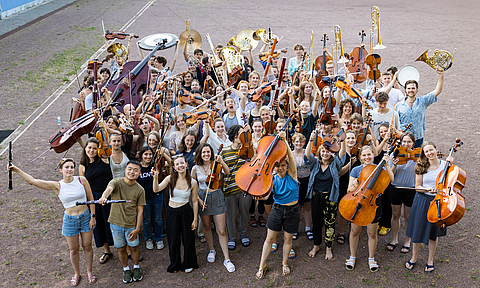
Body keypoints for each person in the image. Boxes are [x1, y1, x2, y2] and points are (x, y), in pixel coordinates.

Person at [9, 159, 97, 286]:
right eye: (67, 167)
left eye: (72, 167)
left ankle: (89, 271)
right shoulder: (57, 185)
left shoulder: (81, 180)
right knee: (73, 250)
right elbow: (32, 181)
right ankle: (77, 273)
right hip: (70, 220)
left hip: (85, 217)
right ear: (61, 170)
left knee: (87, 246)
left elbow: (91, 198)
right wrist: (17, 170)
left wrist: (93, 216)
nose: (70, 170)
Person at [255, 131, 299, 279]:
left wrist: (285, 141)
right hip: (278, 209)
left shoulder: (292, 174)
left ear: (286, 166)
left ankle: (284, 263)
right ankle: (262, 265)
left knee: (288, 239)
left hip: (293, 210)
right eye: (277, 166)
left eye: (282, 165)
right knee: (269, 239)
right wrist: (260, 196)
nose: (280, 168)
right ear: (273, 167)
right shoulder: (272, 178)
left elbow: (291, 157)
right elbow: (267, 196)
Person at [405, 141, 453, 273]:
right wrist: (427, 189)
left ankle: (430, 259)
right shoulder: (421, 166)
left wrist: (451, 164)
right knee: (417, 229)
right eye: (426, 151)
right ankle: (414, 257)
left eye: (431, 150)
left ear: (436, 149)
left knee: (433, 233)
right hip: (422, 200)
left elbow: (452, 181)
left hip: (438, 202)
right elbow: (417, 186)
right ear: (424, 154)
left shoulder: (445, 165)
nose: (429, 153)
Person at [345, 146, 394, 272]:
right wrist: (354, 186)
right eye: (364, 155)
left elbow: (391, 179)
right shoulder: (356, 170)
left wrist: (387, 165)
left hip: (373, 204)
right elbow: (349, 190)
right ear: (360, 157)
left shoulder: (380, 168)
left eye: (369, 154)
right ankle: (352, 256)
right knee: (354, 232)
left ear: (373, 155)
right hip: (359, 202)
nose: (367, 157)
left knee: (372, 233)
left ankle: (371, 258)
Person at [99, 160, 146, 284]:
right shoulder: (116, 182)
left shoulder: (140, 190)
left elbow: (140, 211)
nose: (132, 172)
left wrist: (137, 228)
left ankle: (136, 267)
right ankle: (126, 269)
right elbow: (109, 189)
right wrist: (104, 197)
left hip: (131, 225)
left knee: (134, 247)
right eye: (130, 169)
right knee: (120, 249)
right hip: (115, 223)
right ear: (125, 170)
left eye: (136, 170)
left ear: (139, 173)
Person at [191, 143, 235, 273]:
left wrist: (221, 161)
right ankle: (212, 250)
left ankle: (227, 259)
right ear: (200, 154)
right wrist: (198, 200)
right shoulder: (195, 168)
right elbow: (193, 187)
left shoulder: (216, 165)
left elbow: (227, 172)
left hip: (216, 196)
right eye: (203, 152)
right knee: (206, 227)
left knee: (221, 230)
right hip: (202, 197)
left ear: (211, 153)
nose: (206, 154)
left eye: (208, 152)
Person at [304, 128, 346, 260]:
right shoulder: (315, 163)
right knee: (316, 223)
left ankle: (328, 248)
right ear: (319, 152)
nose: (325, 153)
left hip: (330, 198)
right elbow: (306, 155)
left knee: (329, 223)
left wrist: (342, 141)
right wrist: (311, 140)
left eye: (327, 151)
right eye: (323, 151)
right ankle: (316, 245)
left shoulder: (335, 164)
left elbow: (343, 152)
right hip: (316, 197)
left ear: (331, 152)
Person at [153, 154, 199, 273]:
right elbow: (156, 189)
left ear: (186, 164)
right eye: (177, 164)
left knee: (188, 239)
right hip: (171, 212)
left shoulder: (193, 182)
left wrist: (195, 219)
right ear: (174, 167)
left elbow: (194, 201)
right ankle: (175, 264)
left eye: (182, 163)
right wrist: (155, 177)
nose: (180, 166)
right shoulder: (170, 178)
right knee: (173, 240)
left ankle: (189, 262)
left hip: (185, 211)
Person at [79, 138, 114, 265]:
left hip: (109, 195)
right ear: (85, 148)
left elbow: (106, 143)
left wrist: (103, 127)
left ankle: (123, 248)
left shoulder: (104, 158)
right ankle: (107, 250)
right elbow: (83, 185)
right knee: (99, 225)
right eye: (89, 148)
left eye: (94, 148)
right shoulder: (82, 165)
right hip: (94, 199)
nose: (92, 150)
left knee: (114, 222)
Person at [395, 68, 444, 147]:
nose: (411, 90)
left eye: (413, 88)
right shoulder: (398, 106)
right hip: (404, 140)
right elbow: (396, 124)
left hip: (418, 139)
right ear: (405, 90)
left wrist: (441, 75)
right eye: (409, 88)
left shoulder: (423, 101)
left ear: (417, 89)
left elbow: (438, 90)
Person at [221, 125, 252, 250]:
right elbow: (223, 172)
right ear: (234, 136)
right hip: (229, 187)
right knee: (230, 214)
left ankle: (243, 234)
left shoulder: (247, 150)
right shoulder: (225, 151)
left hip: (244, 187)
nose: (243, 136)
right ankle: (232, 237)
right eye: (240, 134)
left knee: (245, 212)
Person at [386, 132, 417, 254]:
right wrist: (394, 165)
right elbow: (390, 176)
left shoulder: (417, 156)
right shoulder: (395, 154)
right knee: (395, 215)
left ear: (413, 143)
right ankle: (394, 239)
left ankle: (407, 241)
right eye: (404, 142)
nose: (406, 144)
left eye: (409, 142)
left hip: (411, 189)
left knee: (408, 216)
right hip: (396, 188)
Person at [137, 146, 170, 251]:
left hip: (157, 195)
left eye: (150, 154)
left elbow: (171, 164)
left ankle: (159, 238)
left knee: (158, 219)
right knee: (146, 220)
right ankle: (148, 239)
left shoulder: (156, 165)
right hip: (144, 198)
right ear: (141, 155)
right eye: (145, 154)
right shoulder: (138, 167)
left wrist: (163, 154)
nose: (148, 156)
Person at [291, 133, 312, 241]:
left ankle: (308, 228)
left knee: (307, 206)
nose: (299, 143)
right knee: (296, 207)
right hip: (295, 181)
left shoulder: (307, 152)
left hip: (306, 181)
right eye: (296, 141)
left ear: (304, 143)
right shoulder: (290, 153)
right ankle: (295, 229)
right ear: (293, 142)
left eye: (301, 141)